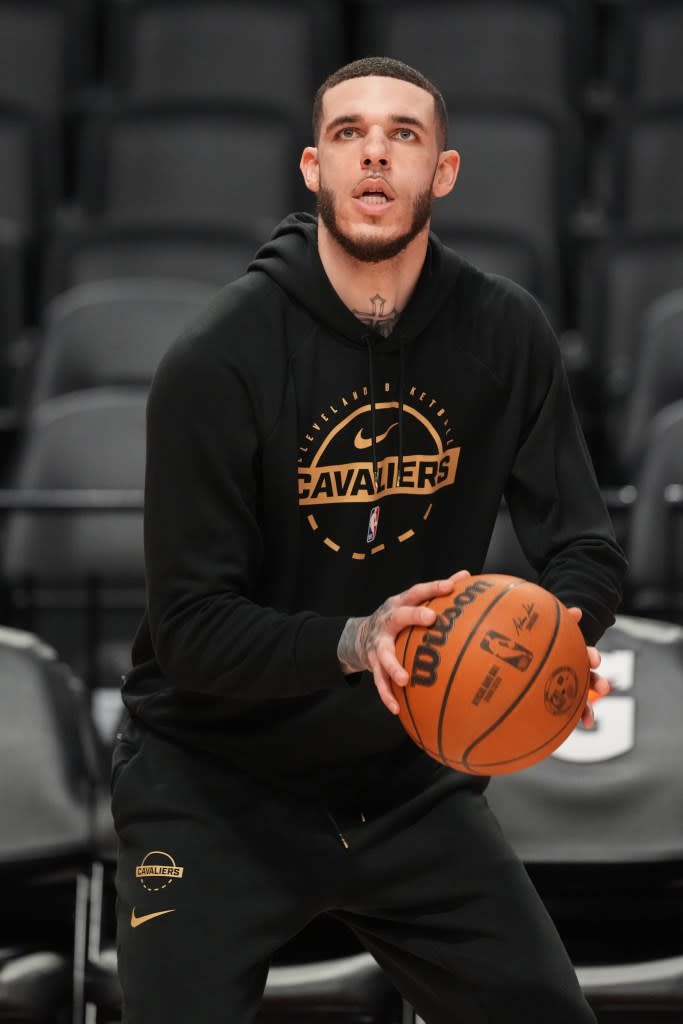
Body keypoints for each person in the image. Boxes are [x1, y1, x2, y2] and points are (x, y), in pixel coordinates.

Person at [112, 56, 627, 1023]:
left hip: (403, 784)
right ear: (312, 168)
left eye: (404, 135)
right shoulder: (217, 359)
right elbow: (188, 628)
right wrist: (356, 639)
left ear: (444, 171)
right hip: (215, 785)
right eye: (350, 134)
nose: (375, 156)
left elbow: (585, 549)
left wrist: (559, 632)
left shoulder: (503, 332)